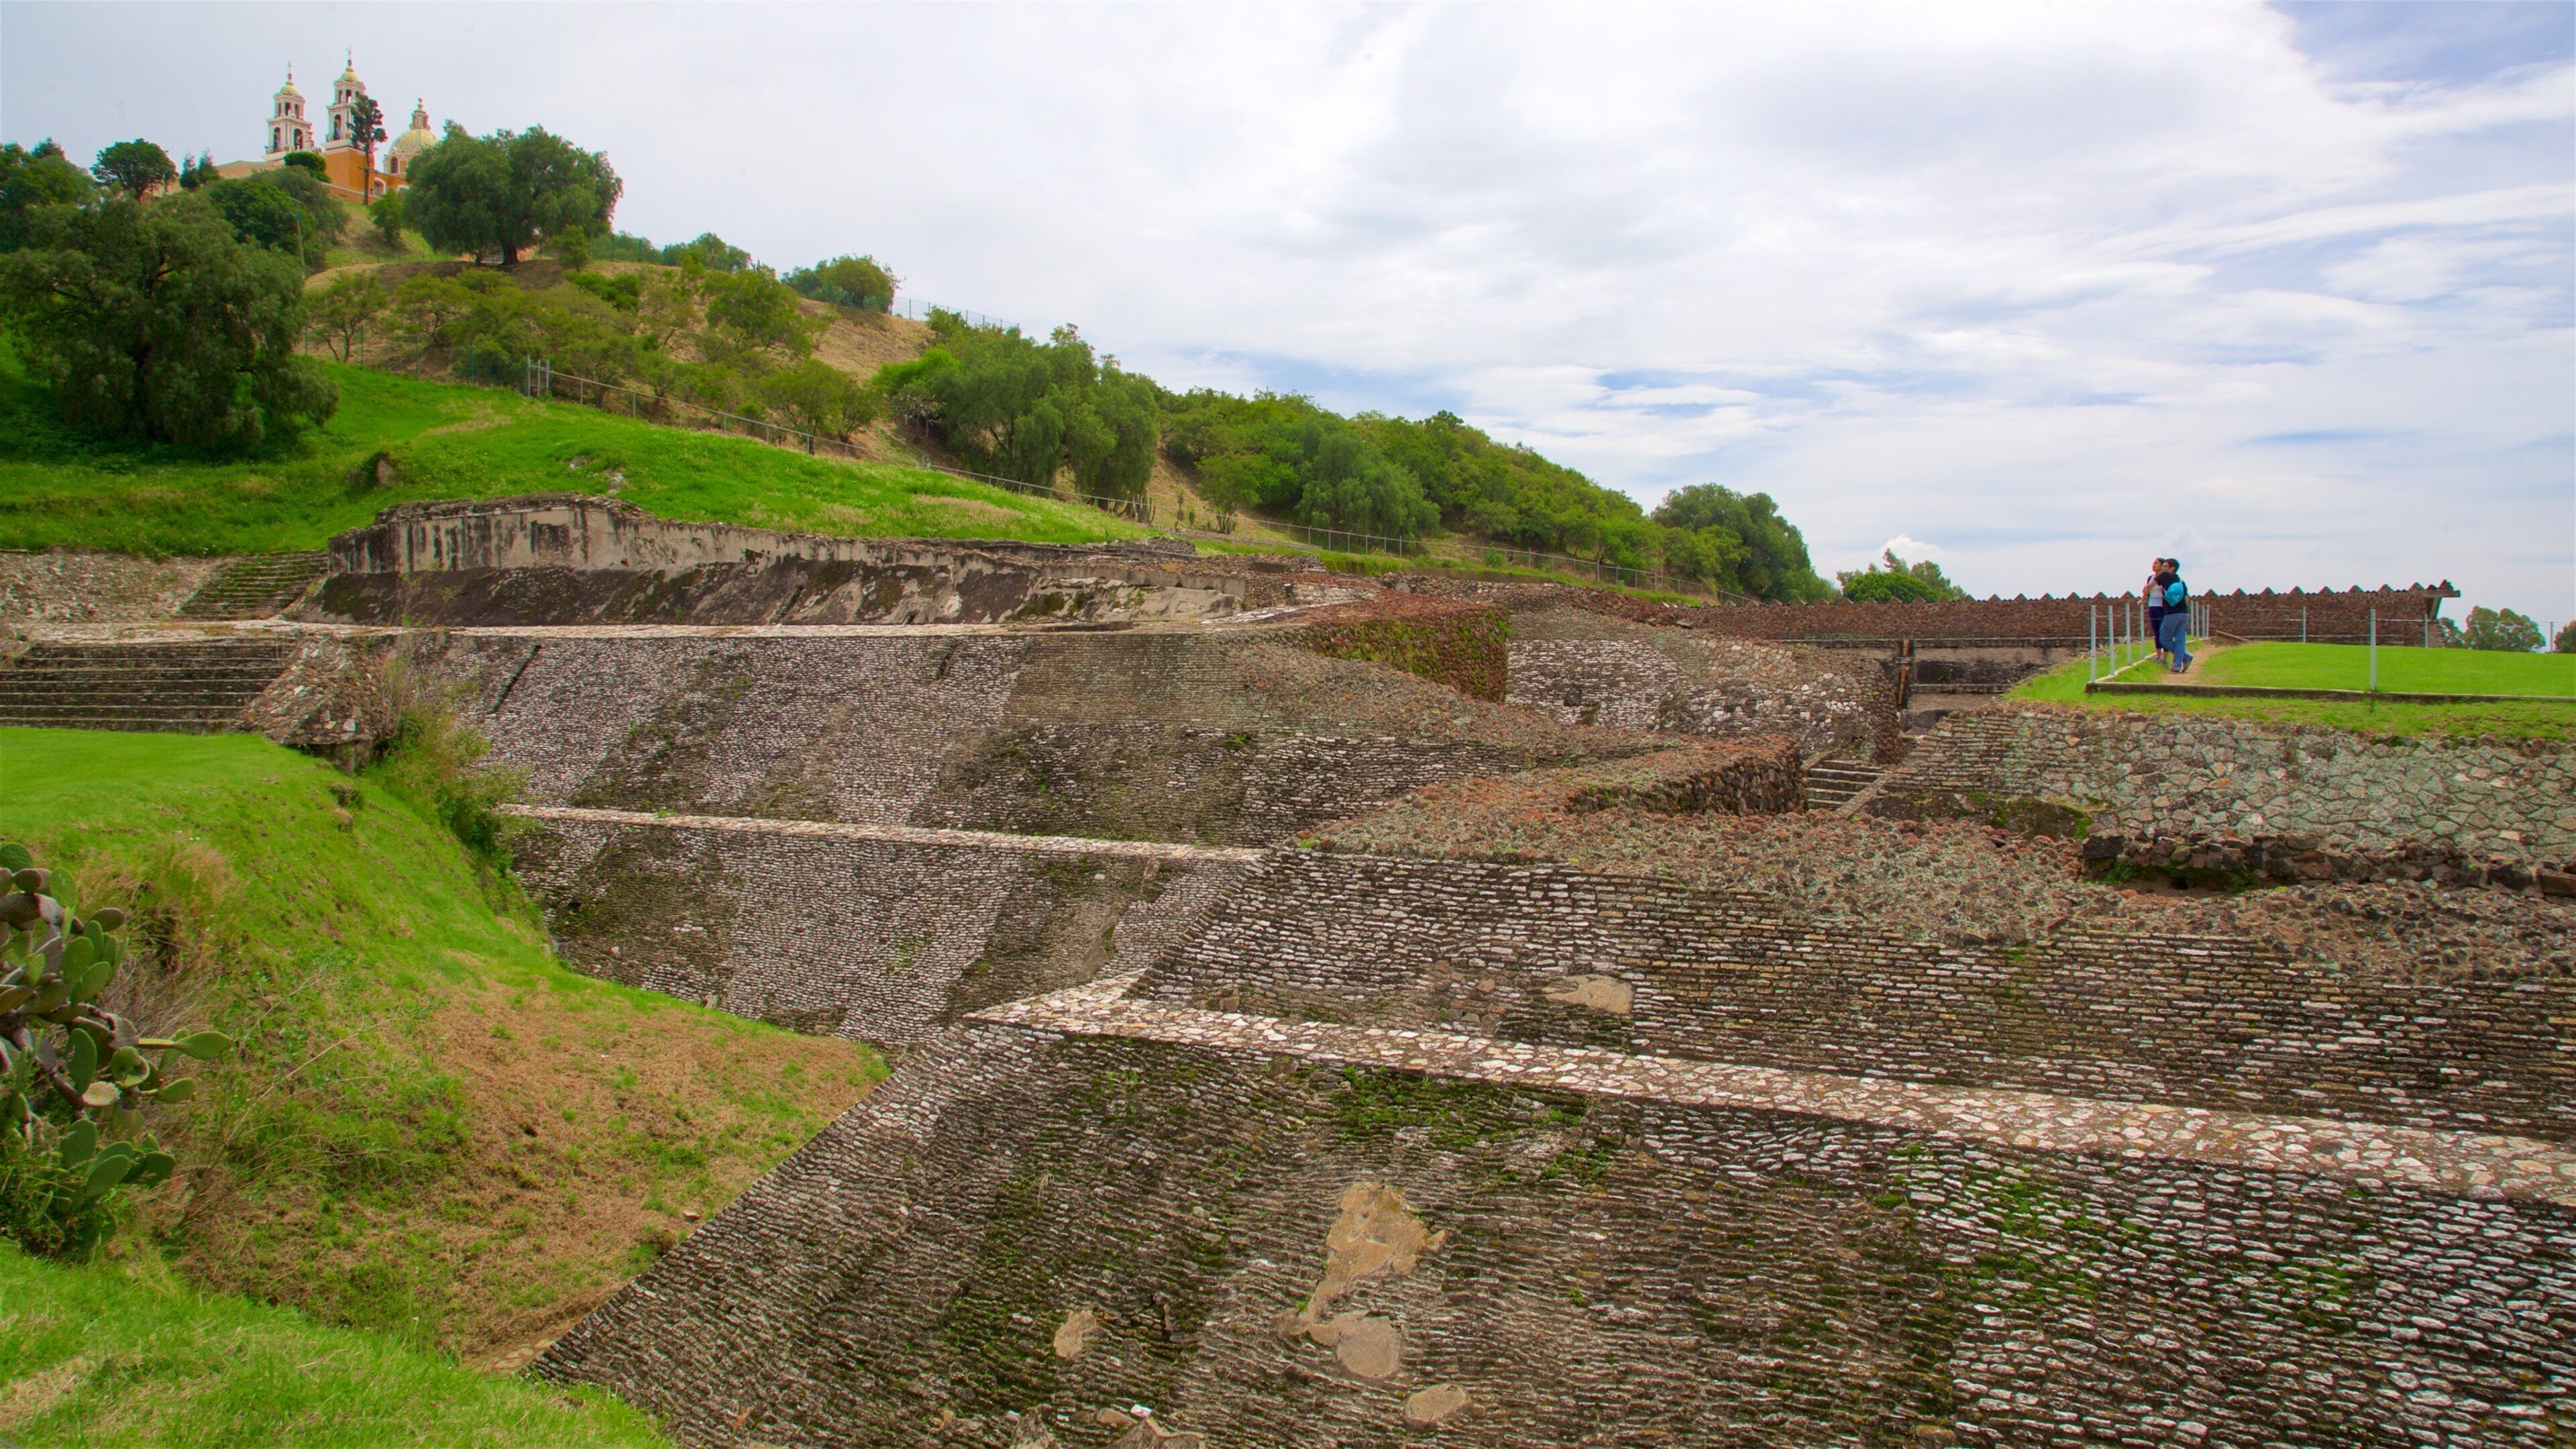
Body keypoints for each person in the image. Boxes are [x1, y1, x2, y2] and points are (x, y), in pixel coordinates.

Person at [2157, 561, 2192, 673]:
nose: (2163, 568)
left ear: (2172, 569)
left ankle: (2185, 657)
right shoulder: (2181, 582)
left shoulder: (2165, 580)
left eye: (2165, 566)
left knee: (2164, 639)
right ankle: (2177, 665)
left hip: (2172, 613)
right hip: (2184, 613)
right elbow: (2187, 597)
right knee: (2180, 640)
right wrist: (2186, 611)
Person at [2143, 557, 2169, 665]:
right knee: (2156, 632)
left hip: (2162, 607)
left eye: (2156, 563)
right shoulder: (2150, 578)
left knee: (2164, 632)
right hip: (2152, 606)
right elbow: (2148, 592)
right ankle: (2158, 655)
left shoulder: (2165, 578)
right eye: (2153, 563)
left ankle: (2165, 657)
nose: (2154, 565)